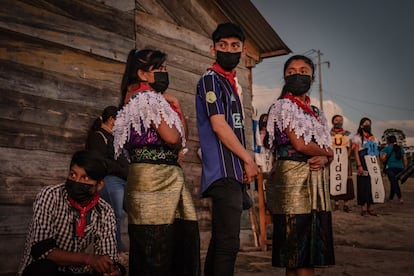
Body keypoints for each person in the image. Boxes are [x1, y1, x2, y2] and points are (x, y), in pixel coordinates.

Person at [113, 49, 200, 275]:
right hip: (155, 178)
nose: (164, 73)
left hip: (158, 175)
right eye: (158, 69)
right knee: (158, 244)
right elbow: (173, 138)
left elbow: (181, 137)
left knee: (158, 243)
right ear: (142, 74)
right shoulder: (146, 98)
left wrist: (177, 107)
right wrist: (176, 139)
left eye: (164, 68)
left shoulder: (137, 98)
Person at [195, 22, 259, 276]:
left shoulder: (233, 85)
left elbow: (235, 130)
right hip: (222, 170)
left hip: (232, 171)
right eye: (223, 46)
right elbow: (219, 127)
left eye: (235, 46)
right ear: (213, 50)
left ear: (243, 52)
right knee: (228, 243)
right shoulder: (211, 80)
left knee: (222, 241)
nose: (229, 50)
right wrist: (249, 160)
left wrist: (243, 163)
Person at [266, 55, 335, 276]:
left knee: (305, 251)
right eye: (292, 71)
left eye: (304, 71)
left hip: (315, 181)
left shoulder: (317, 113)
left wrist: (325, 158)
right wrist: (328, 152)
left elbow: (325, 150)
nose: (298, 74)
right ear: (285, 77)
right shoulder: (283, 106)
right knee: (297, 249)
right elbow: (300, 144)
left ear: (312, 78)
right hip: (293, 181)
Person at [18, 150, 125, 276]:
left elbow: (107, 256)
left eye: (85, 177)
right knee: (45, 268)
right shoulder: (50, 196)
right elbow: (42, 251)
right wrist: (89, 259)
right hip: (45, 270)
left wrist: (113, 269)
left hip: (76, 272)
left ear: (99, 185)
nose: (77, 181)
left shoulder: (105, 211)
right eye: (73, 175)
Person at [85, 106, 129, 255]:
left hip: (124, 180)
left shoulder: (115, 138)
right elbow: (100, 161)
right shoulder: (98, 136)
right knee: (114, 215)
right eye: (120, 121)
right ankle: (114, 250)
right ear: (111, 120)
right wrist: (122, 169)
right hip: (110, 180)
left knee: (135, 212)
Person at [352, 117, 380, 216]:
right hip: (363, 162)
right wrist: (359, 165)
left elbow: (376, 153)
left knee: (372, 184)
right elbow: (356, 153)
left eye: (369, 123)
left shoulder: (373, 138)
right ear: (361, 125)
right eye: (366, 123)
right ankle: (363, 207)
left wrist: (378, 165)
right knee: (363, 184)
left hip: (372, 163)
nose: (368, 125)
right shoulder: (357, 137)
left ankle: (370, 207)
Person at [329, 114, 355, 212]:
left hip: (344, 160)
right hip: (333, 160)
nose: (339, 122)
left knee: (346, 180)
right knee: (335, 178)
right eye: (336, 120)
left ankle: (346, 204)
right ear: (333, 122)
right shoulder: (328, 134)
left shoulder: (347, 134)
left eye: (340, 120)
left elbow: (350, 147)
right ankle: (336, 203)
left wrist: (346, 157)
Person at [381, 135, 407, 204]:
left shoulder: (386, 148)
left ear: (388, 141)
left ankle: (400, 197)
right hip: (400, 168)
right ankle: (391, 198)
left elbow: (383, 159)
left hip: (390, 168)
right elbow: (404, 159)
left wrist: (383, 159)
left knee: (394, 182)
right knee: (394, 181)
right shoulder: (400, 148)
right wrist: (405, 168)